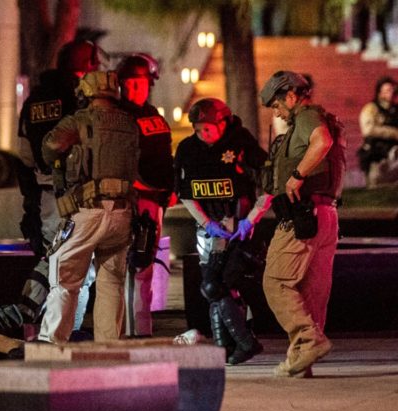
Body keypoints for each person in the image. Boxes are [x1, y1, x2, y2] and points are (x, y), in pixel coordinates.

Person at [37, 70, 140, 344]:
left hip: (88, 211)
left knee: (64, 277)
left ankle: (52, 343)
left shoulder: (79, 120)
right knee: (111, 284)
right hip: (122, 215)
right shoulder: (129, 123)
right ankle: (108, 348)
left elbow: (51, 146)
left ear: (86, 92)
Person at [259, 70, 346, 377]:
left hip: (303, 215)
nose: (277, 112)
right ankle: (302, 360)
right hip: (325, 215)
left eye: (277, 104)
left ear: (291, 97)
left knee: (276, 282)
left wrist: (296, 177)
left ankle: (308, 341)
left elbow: (321, 141)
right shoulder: (315, 118)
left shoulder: (308, 116)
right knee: (310, 291)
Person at [174, 98, 268, 365]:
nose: (203, 135)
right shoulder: (188, 149)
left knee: (221, 285)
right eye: (198, 129)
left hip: (239, 226)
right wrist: (206, 223)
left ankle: (242, 343)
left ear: (224, 122)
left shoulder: (240, 142)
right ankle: (226, 347)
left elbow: (267, 183)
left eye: (208, 128)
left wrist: (250, 221)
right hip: (209, 227)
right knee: (211, 287)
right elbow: (184, 193)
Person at [16, 40, 102, 331]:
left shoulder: (34, 102)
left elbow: (24, 156)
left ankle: (46, 322)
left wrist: (31, 202)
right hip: (76, 193)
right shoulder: (77, 98)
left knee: (57, 257)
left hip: (46, 196)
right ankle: (52, 326)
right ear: (85, 66)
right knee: (73, 264)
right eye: (95, 63)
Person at [117, 53, 174, 337]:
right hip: (129, 199)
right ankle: (123, 331)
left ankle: (142, 330)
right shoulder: (117, 117)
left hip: (154, 202)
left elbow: (165, 157)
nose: (137, 89)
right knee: (122, 267)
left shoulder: (155, 117)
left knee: (144, 267)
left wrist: (170, 190)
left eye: (141, 83)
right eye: (131, 83)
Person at [357, 75, 398, 187]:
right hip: (377, 157)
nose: (392, 93)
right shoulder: (371, 108)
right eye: (388, 90)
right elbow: (368, 130)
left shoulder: (395, 110)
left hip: (393, 157)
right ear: (380, 93)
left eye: (393, 90)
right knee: (376, 189)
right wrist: (394, 133)